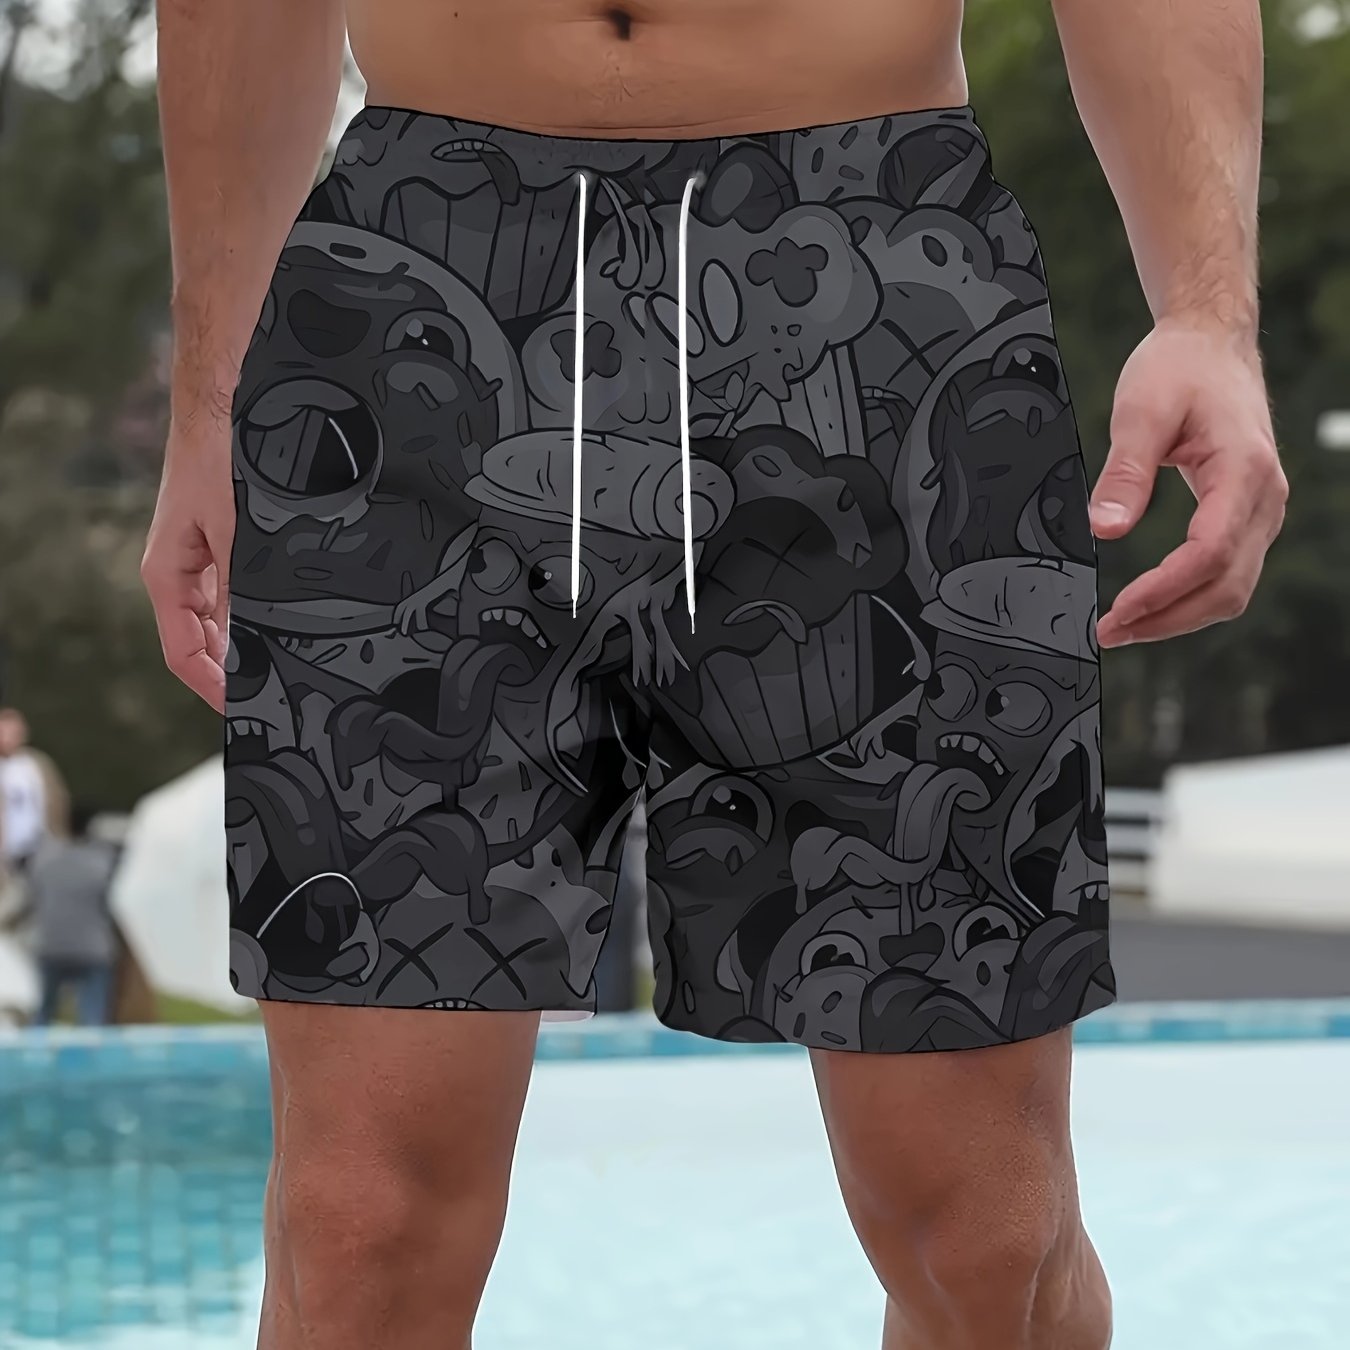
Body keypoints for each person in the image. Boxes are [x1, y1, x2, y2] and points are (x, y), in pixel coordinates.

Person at [143, 1, 1285, 1347]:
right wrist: (209, 401)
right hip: (417, 293)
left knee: (984, 1242)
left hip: (871, 274)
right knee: (358, 1232)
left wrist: (1207, 313)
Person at [27, 805, 120, 1027]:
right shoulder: (101, 862)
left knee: (44, 1012)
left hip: (51, 944)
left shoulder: (45, 859)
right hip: (92, 948)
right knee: (92, 1018)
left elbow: (33, 896)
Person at [0, 708, 47, 879]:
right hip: (5, 853)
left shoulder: (37, 763)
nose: (8, 738)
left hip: (37, 848)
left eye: (14, 733)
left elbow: (56, 800)